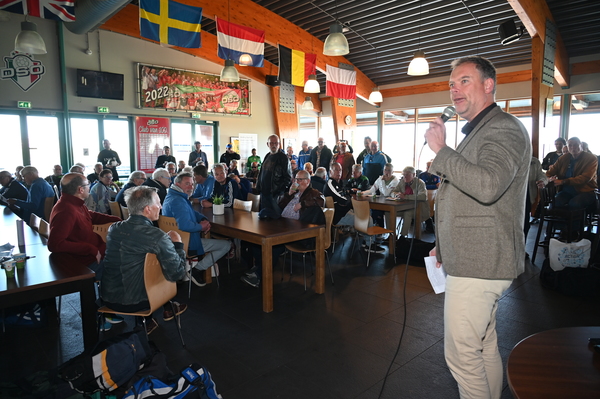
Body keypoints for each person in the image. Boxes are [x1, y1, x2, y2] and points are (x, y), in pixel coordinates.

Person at [424, 55, 531, 399]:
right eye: (451, 83)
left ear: (488, 85)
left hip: (480, 262)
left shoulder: (504, 127)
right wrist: (444, 243)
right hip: (472, 256)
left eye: (464, 80)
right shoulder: (483, 130)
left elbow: (487, 185)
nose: (454, 89)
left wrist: (441, 151)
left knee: (461, 355)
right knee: (483, 346)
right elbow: (465, 197)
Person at [101, 186, 187, 335]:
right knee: (163, 269)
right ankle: (167, 309)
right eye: (158, 203)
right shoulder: (158, 236)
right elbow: (177, 275)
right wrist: (178, 244)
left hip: (107, 298)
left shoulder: (114, 228)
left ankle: (151, 321)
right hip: (136, 302)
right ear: (147, 209)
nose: (161, 206)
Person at [241, 170, 324, 288]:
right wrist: (289, 193)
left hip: (298, 230)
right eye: (296, 179)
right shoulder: (294, 192)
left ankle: (259, 276)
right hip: (283, 223)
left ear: (308, 181)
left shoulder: (313, 192)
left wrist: (303, 204)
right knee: (257, 240)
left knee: (274, 245)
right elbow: (279, 204)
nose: (297, 182)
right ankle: (259, 267)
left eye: (300, 180)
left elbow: (322, 200)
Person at [48, 173, 121, 281]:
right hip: (86, 263)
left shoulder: (73, 203)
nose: (89, 187)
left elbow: (90, 215)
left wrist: (118, 220)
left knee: (128, 253)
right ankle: (109, 296)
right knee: (131, 264)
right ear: (80, 189)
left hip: (96, 252)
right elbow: (54, 244)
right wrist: (90, 249)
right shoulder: (66, 211)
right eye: (88, 184)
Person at [162, 173, 230, 279]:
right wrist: (201, 227)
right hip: (188, 244)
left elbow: (191, 212)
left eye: (192, 184)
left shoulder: (173, 196)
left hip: (175, 242)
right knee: (226, 245)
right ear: (177, 184)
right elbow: (185, 225)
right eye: (187, 184)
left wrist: (203, 219)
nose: (191, 187)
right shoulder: (178, 201)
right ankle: (196, 270)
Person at [546, 136, 597, 213]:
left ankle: (576, 225)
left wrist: (563, 181)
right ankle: (558, 225)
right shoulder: (563, 158)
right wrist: (550, 179)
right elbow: (549, 173)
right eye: (570, 145)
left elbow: (585, 178)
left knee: (574, 204)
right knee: (555, 203)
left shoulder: (591, 158)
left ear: (581, 145)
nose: (573, 147)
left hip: (586, 191)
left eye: (576, 145)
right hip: (566, 191)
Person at [256, 135, 291, 218]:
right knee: (265, 218)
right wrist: (259, 187)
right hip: (264, 193)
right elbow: (261, 173)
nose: (274, 145)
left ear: (279, 144)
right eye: (271, 143)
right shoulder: (267, 156)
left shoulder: (283, 158)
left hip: (275, 194)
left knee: (277, 218)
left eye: (276, 143)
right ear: (267, 144)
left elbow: (288, 177)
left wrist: (280, 192)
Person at [391, 166, 430, 238]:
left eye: (408, 174)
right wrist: (397, 195)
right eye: (404, 175)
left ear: (414, 175)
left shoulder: (420, 183)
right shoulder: (402, 181)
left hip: (419, 209)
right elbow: (394, 191)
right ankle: (391, 235)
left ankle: (403, 237)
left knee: (407, 213)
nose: (405, 176)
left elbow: (423, 196)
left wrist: (406, 197)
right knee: (389, 212)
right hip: (403, 207)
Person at [361, 163, 399, 227]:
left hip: (391, 203)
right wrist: (363, 193)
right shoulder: (380, 178)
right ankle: (374, 226)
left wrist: (383, 182)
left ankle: (378, 227)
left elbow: (386, 194)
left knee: (376, 210)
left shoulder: (395, 181)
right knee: (372, 208)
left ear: (392, 172)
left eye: (389, 170)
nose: (386, 172)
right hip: (381, 201)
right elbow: (372, 190)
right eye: (385, 170)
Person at [419, 161, 441, 232]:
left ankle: (434, 218)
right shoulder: (422, 175)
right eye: (428, 166)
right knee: (428, 198)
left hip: (435, 192)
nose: (429, 168)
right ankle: (429, 219)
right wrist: (434, 186)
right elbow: (423, 186)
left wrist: (435, 186)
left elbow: (439, 185)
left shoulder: (436, 175)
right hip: (425, 192)